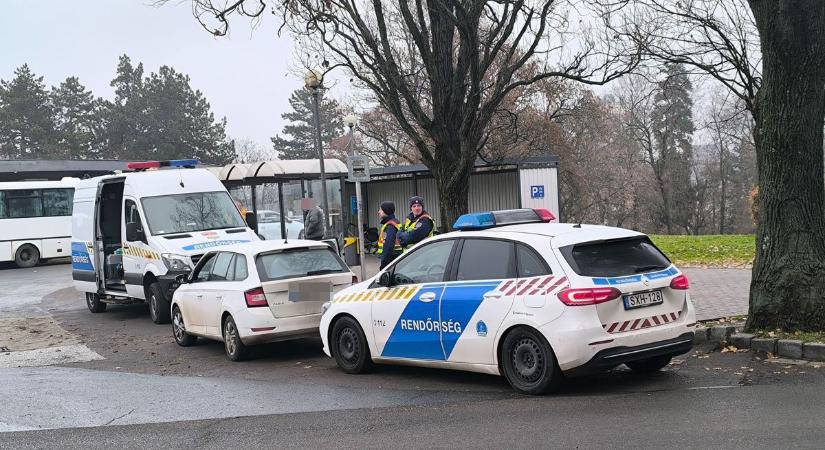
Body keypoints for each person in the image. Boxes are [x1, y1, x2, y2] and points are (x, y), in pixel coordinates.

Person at [376, 201, 402, 269]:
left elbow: (388, 247)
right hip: (395, 259)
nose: (379, 212)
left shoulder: (390, 226)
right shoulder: (394, 222)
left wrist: (384, 265)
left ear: (386, 211)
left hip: (391, 261)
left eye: (381, 210)